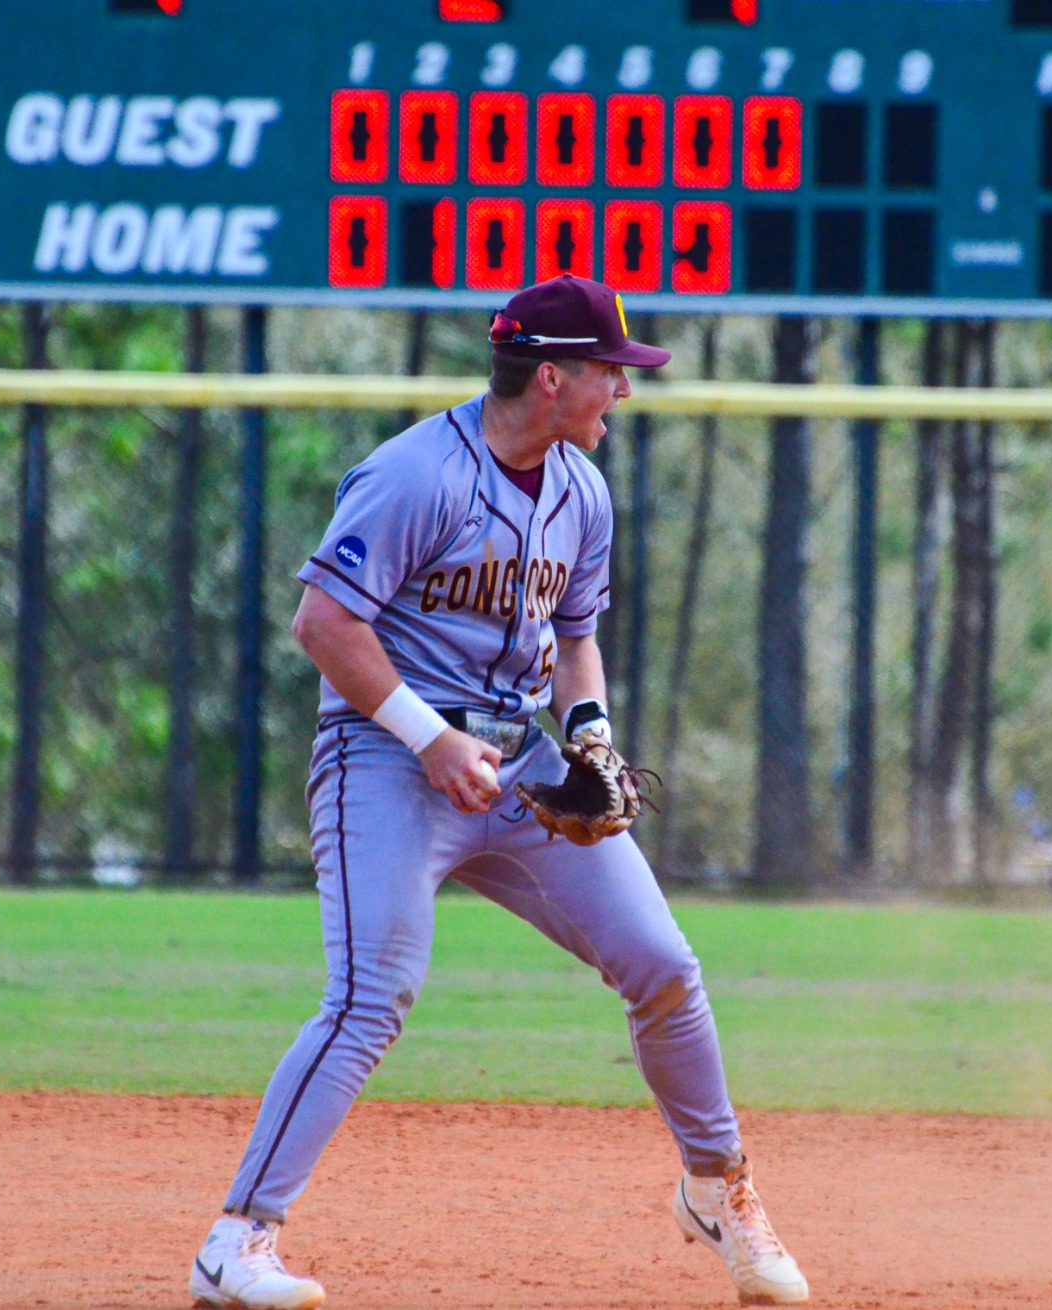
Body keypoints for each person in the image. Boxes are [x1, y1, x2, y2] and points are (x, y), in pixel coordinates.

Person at [189, 275, 810, 1310]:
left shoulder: (582, 490)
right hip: (387, 758)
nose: (622, 388)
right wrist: (426, 738)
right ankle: (235, 1238)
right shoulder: (412, 474)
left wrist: (593, 736)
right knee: (369, 994)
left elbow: (574, 638)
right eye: (611, 371)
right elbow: (322, 624)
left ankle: (718, 1188)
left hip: (519, 762)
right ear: (554, 376)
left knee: (661, 962)